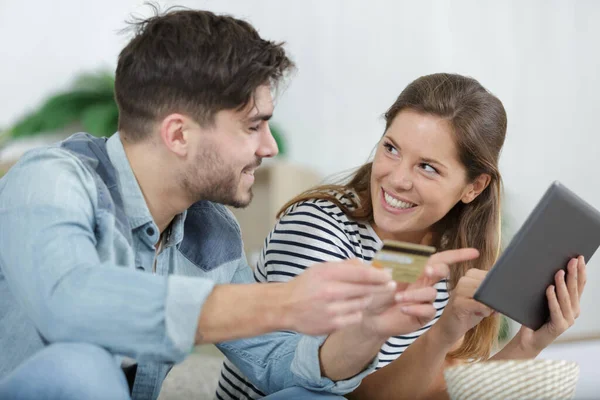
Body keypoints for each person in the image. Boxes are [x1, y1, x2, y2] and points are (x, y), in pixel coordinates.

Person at [0, 9, 473, 400]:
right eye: (253, 126)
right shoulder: (50, 180)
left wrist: (369, 329)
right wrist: (285, 301)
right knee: (79, 367)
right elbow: (69, 305)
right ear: (179, 134)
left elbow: (274, 363)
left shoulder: (213, 231)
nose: (270, 148)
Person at [217, 72, 587, 400]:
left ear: (473, 187)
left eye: (427, 167)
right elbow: (330, 387)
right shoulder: (319, 227)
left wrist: (528, 343)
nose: (397, 179)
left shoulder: (447, 258)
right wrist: (443, 331)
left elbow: (432, 394)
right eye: (391, 149)